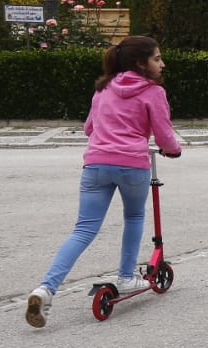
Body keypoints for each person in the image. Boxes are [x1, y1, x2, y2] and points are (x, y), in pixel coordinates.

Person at [26, 36, 182, 328]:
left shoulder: (103, 88)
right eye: (157, 58)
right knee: (134, 217)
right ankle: (126, 276)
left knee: (83, 230)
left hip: (96, 164)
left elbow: (89, 128)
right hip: (132, 165)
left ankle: (45, 289)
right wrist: (173, 150)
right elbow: (163, 135)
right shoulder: (152, 92)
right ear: (141, 63)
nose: (162, 63)